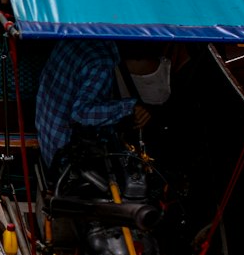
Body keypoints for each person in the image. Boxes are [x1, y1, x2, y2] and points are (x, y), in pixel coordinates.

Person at [35, 41, 172, 174]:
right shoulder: (102, 63)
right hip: (65, 157)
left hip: (48, 141)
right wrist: (129, 107)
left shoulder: (74, 36)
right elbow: (82, 113)